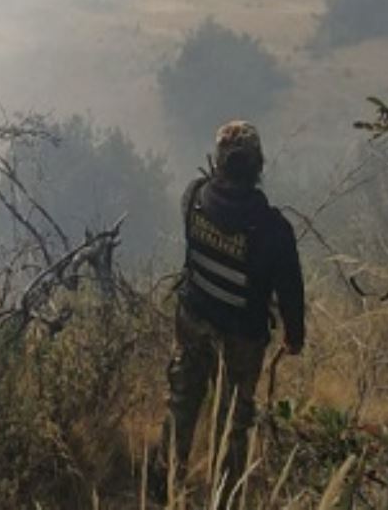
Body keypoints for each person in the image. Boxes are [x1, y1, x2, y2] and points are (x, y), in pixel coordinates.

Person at [159, 120, 304, 505]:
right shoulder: (274, 229)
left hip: (192, 319)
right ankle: (223, 499)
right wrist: (295, 335)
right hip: (242, 338)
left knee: (181, 402)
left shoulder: (193, 198)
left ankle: (163, 488)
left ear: (218, 162)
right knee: (232, 424)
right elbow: (290, 289)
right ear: (259, 166)